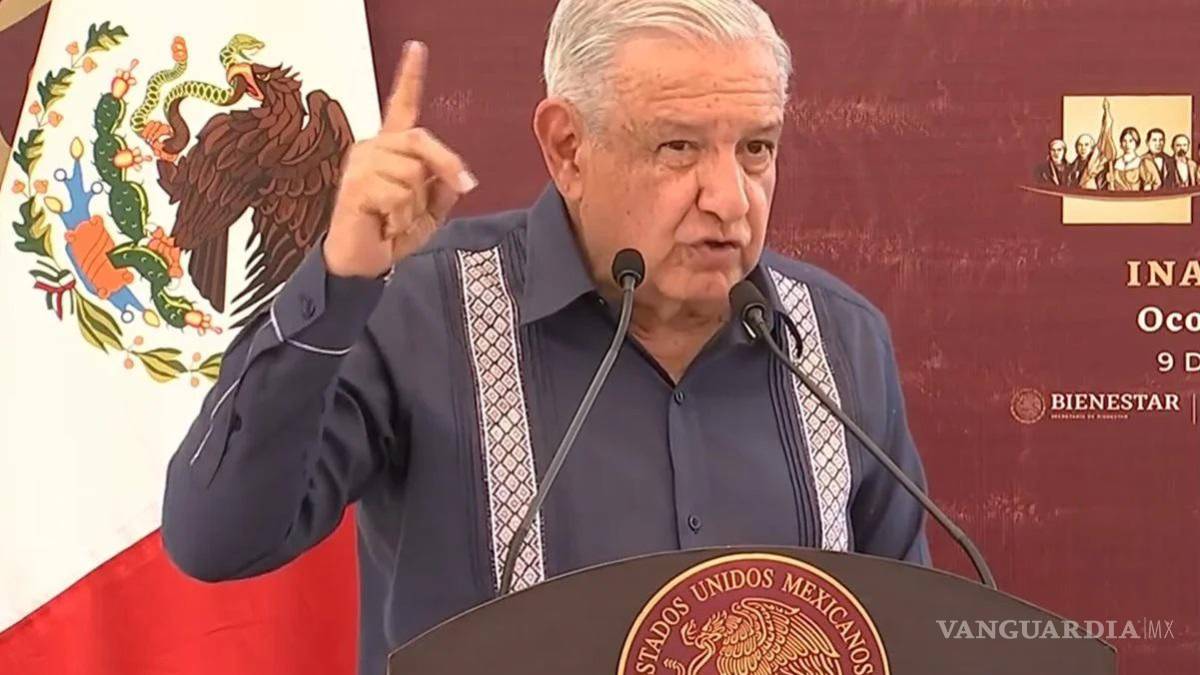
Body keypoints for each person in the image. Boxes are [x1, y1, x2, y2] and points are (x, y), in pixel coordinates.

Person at [160, 1, 930, 673]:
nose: (730, 199)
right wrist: (339, 283)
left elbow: (908, 634)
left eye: (756, 148)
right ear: (568, 148)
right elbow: (218, 536)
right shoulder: (417, 312)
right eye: (679, 147)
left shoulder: (838, 341)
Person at [1109, 126, 1150, 191]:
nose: (1127, 144)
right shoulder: (1114, 162)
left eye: (1131, 141)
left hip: (1134, 196)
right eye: (1124, 141)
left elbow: (1147, 186)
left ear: (1136, 143)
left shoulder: (1141, 162)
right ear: (1121, 143)